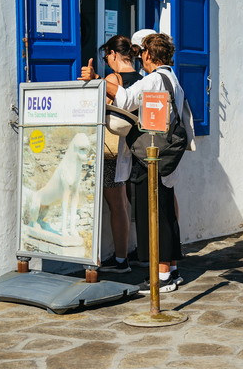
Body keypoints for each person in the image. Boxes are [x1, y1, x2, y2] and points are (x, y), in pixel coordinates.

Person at [79, 33, 189, 293]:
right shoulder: (172, 79)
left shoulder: (154, 79)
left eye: (142, 54)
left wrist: (97, 81)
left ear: (149, 55)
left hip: (153, 155)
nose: (141, 59)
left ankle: (161, 277)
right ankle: (171, 269)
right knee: (167, 212)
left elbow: (126, 99)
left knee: (156, 214)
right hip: (169, 154)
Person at [94, 35, 143, 273]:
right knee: (133, 204)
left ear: (113, 54)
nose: (107, 62)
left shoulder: (113, 79)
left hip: (113, 150)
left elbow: (98, 108)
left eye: (107, 57)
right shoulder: (143, 80)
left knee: (117, 205)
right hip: (137, 149)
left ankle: (121, 260)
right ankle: (143, 253)